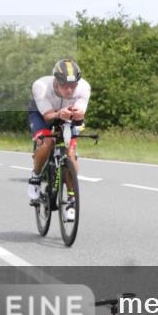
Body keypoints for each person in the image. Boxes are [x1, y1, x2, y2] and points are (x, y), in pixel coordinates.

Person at [27, 59, 90, 222]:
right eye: (65, 86)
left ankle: (72, 199)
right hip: (41, 113)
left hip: (66, 114)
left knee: (70, 152)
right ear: (55, 81)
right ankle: (35, 177)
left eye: (73, 86)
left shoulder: (84, 87)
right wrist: (58, 114)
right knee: (47, 142)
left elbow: (80, 114)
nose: (69, 90)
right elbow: (48, 116)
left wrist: (78, 115)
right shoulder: (41, 86)